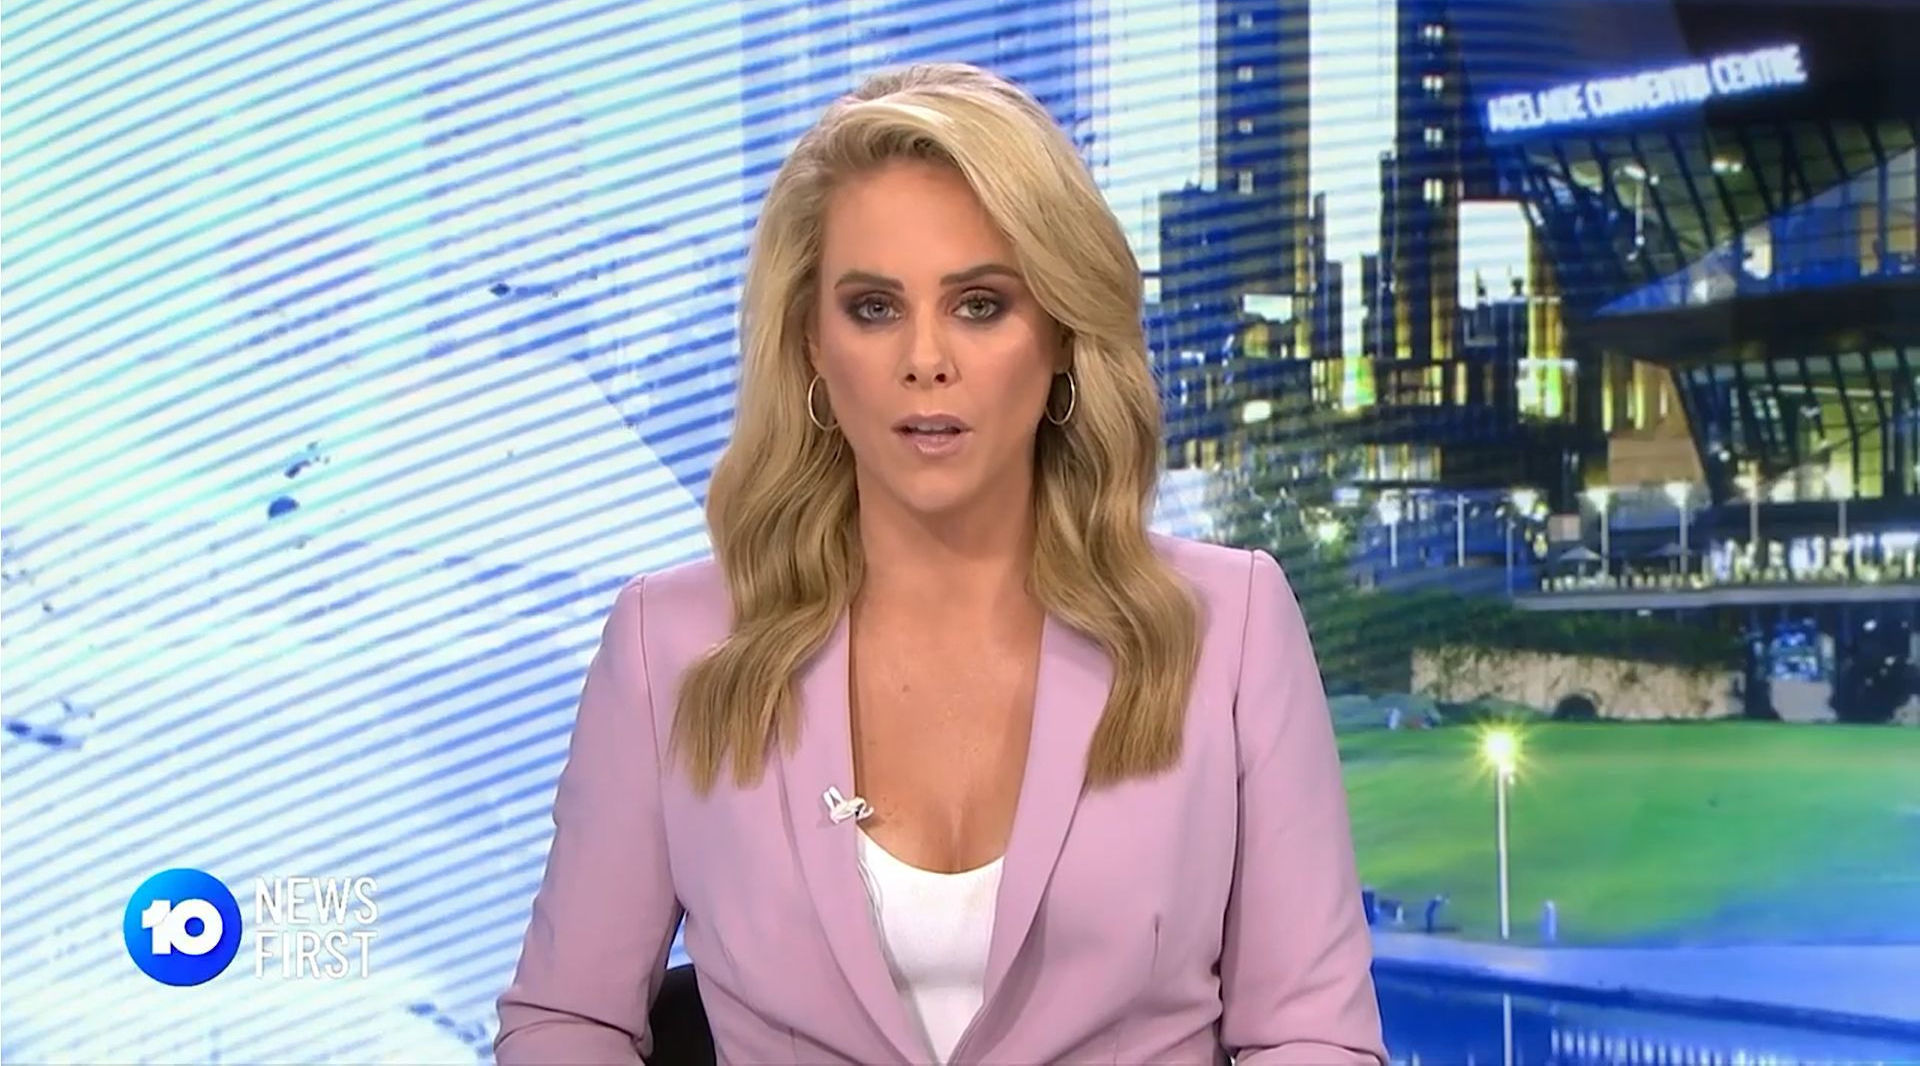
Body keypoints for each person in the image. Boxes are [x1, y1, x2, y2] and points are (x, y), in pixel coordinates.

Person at [494, 62, 1385, 1065]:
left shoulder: (1231, 628)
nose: (926, 358)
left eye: (980, 304)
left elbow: (1313, 1037)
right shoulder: (670, 648)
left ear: (1061, 335)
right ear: (813, 345)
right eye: (875, 308)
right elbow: (566, 1020)